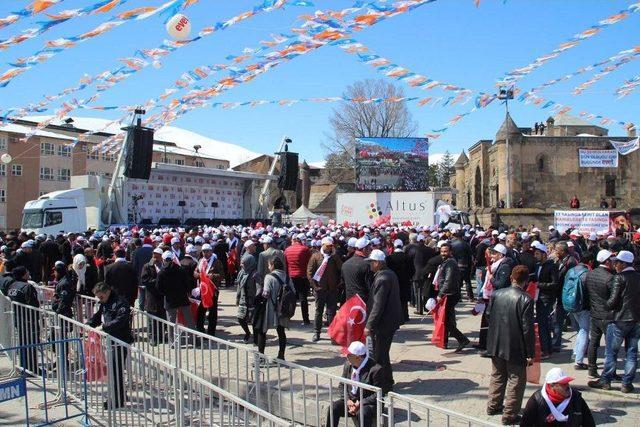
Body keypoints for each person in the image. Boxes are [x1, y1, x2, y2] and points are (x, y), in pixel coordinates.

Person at [486, 265, 535, 425]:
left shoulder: (497, 294)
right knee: (516, 379)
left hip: (496, 342)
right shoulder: (526, 299)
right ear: (526, 281)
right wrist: (530, 352)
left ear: (511, 278)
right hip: (515, 345)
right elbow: (527, 329)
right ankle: (510, 414)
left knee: (498, 375)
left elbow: (488, 315)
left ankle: (493, 405)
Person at [588, 250, 640, 393]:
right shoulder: (638, 277)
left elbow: (612, 301)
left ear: (624, 264)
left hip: (619, 319)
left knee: (612, 352)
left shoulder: (619, 278)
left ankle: (606, 380)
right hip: (635, 320)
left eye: (617, 262)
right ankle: (626, 383)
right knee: (631, 352)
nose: (615, 264)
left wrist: (604, 305)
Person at [87, 282, 133, 409]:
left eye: (101, 297)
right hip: (111, 340)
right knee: (113, 371)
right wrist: (89, 324)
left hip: (120, 340)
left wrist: (104, 327)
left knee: (116, 371)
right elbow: (98, 316)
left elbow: (120, 320)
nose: (100, 300)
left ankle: (118, 400)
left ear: (107, 292)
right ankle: (119, 395)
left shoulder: (120, 302)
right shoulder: (105, 302)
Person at [325, 341, 386, 427]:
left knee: (362, 413)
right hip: (351, 401)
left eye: (349, 355)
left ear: (358, 358)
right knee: (333, 408)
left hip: (367, 403)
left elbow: (379, 393)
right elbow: (342, 385)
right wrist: (347, 400)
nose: (346, 357)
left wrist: (360, 403)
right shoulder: (348, 365)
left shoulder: (376, 370)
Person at [365, 249, 402, 390]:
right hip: (389, 321)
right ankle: (388, 380)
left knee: (380, 355)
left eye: (371, 262)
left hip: (383, 323)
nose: (369, 265)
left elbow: (378, 305)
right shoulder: (388, 274)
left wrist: (369, 325)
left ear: (377, 263)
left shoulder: (382, 278)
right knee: (383, 353)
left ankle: (384, 385)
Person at [521, 368, 595, 426]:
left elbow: (589, 422)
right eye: (563, 384)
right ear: (552, 385)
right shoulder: (537, 399)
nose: (567, 386)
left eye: (567, 382)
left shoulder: (576, 397)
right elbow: (526, 423)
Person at [582, 249, 615, 378]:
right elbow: (614, 298)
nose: (613, 263)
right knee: (610, 346)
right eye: (611, 261)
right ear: (607, 262)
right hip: (607, 316)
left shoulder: (590, 274)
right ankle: (609, 372)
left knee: (594, 343)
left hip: (594, 314)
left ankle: (592, 368)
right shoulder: (610, 278)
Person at [255, 257, 294, 360]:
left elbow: (266, 293)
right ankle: (281, 356)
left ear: (273, 265)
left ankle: (261, 357)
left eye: (269, 265)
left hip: (270, 308)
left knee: (262, 331)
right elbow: (293, 292)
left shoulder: (269, 277)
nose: (268, 267)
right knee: (281, 332)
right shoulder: (287, 277)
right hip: (283, 309)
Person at [479, 243, 515, 352]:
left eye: (494, 253)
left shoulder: (505, 266)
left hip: (500, 299)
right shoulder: (498, 265)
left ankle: (492, 347)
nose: (492, 256)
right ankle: (486, 344)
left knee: (494, 324)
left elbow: (500, 283)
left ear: (500, 255)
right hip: (494, 297)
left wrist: (491, 279)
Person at [307, 237, 343, 342]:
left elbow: (341, 269)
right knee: (319, 311)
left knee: (331, 312)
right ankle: (316, 333)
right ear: (322, 245)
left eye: (331, 245)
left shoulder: (334, 257)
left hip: (332, 289)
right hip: (320, 289)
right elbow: (309, 272)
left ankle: (333, 334)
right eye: (328, 245)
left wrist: (338, 284)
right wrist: (314, 286)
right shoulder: (316, 256)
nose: (330, 247)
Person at [436, 242, 470, 352]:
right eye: (441, 251)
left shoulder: (450, 263)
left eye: (445, 251)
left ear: (450, 252)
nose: (443, 253)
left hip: (449, 294)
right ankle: (445, 342)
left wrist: (441, 294)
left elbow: (448, 280)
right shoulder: (446, 262)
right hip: (449, 293)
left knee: (446, 321)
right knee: (447, 319)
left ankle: (462, 339)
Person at [7, 266, 40, 375]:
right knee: (31, 344)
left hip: (18, 319)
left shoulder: (11, 286)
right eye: (26, 271)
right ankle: (32, 369)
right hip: (29, 320)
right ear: (23, 274)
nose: (28, 272)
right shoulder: (27, 287)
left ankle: (24, 367)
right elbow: (34, 304)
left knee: (23, 343)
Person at [157, 251, 196, 330]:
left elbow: (158, 287)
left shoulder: (161, 272)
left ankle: (172, 342)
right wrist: (185, 292)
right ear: (172, 259)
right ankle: (194, 339)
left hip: (169, 300)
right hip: (183, 298)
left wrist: (166, 293)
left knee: (171, 322)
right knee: (189, 320)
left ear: (163, 260)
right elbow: (187, 283)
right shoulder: (181, 269)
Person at [532, 241, 558, 358]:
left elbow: (554, 283)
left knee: (542, 324)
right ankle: (547, 347)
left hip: (546, 298)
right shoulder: (537, 265)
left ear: (544, 254)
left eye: (538, 253)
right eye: (535, 254)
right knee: (543, 324)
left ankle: (545, 350)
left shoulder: (551, 265)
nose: (535, 256)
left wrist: (539, 284)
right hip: (538, 297)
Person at [284, 234, 312, 325]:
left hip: (291, 276)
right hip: (303, 276)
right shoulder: (305, 249)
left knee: (290, 298)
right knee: (303, 298)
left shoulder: (287, 250)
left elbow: (286, 264)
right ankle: (305, 319)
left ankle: (287, 317)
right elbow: (309, 263)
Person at [554, 242, 577, 352]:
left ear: (562, 251)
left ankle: (582, 346)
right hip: (560, 294)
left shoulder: (571, 261)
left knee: (574, 321)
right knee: (558, 320)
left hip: (568, 296)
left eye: (557, 250)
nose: (555, 252)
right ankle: (557, 344)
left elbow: (570, 279)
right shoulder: (560, 260)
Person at [196, 243, 224, 336]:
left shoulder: (217, 262)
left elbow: (222, 275)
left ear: (211, 252)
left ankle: (211, 332)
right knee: (201, 310)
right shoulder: (200, 261)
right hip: (202, 289)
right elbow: (196, 272)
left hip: (212, 290)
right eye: (204, 251)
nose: (205, 253)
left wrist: (213, 276)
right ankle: (200, 329)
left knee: (212, 311)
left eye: (207, 251)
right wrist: (197, 274)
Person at [141, 247, 166, 345]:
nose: (155, 258)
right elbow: (145, 280)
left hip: (162, 296)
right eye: (154, 256)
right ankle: (152, 337)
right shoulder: (147, 266)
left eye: (157, 256)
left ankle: (161, 336)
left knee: (161, 317)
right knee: (152, 319)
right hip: (152, 296)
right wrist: (157, 281)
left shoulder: (163, 265)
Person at [236, 240, 257, 344]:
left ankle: (256, 337)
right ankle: (247, 333)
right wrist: (237, 297)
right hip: (244, 299)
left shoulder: (255, 275)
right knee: (240, 318)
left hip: (253, 299)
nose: (241, 264)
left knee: (254, 319)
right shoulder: (242, 274)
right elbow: (239, 287)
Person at [386, 239, 411, 323]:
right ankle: (405, 316)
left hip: (394, 281)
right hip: (405, 281)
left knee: (395, 299)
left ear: (394, 246)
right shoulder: (407, 257)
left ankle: (396, 317)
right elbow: (412, 270)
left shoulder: (389, 258)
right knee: (404, 300)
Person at [341, 237, 372, 303]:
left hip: (350, 300)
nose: (370, 249)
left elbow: (343, 282)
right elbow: (370, 286)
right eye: (369, 248)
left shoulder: (345, 264)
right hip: (363, 302)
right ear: (364, 249)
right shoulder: (367, 264)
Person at [132, 237, 153, 310]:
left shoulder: (137, 251)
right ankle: (149, 308)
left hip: (140, 275)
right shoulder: (153, 251)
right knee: (150, 293)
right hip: (151, 276)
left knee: (142, 294)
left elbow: (134, 265)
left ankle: (141, 309)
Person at [451, 231, 473, 301]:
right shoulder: (466, 244)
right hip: (465, 265)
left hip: (456, 264)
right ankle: (470, 297)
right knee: (467, 281)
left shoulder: (453, 244)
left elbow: (452, 255)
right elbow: (470, 256)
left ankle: (459, 297)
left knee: (458, 282)